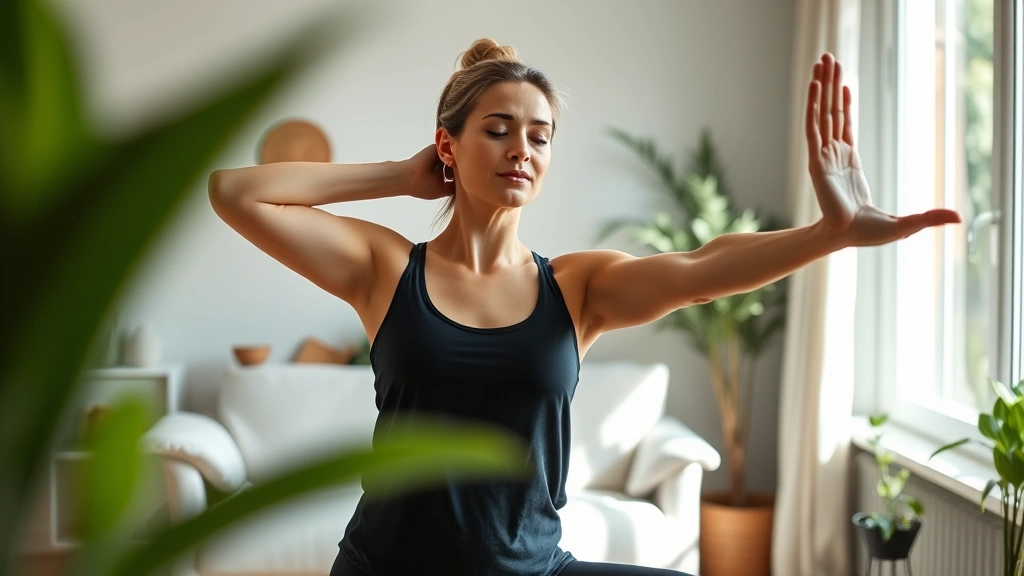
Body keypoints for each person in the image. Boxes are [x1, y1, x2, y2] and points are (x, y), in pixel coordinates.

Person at [208, 38, 960, 576]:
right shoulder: (383, 269)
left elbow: (701, 269)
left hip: (533, 568)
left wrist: (828, 233)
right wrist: (402, 177)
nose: (521, 149)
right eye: (497, 130)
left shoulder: (576, 287)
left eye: (539, 136)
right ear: (449, 146)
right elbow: (234, 192)